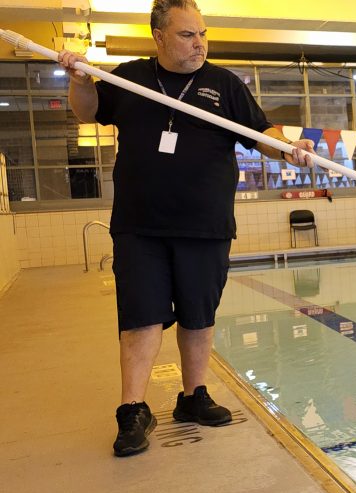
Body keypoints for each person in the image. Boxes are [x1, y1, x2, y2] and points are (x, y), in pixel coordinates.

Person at [59, 0, 315, 457]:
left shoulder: (223, 84)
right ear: (158, 36)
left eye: (202, 34)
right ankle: (133, 410)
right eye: (186, 35)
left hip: (205, 224)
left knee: (199, 316)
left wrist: (289, 149)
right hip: (140, 225)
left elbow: (261, 132)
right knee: (140, 317)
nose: (199, 43)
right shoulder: (131, 76)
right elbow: (87, 112)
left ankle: (192, 396)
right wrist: (80, 80)